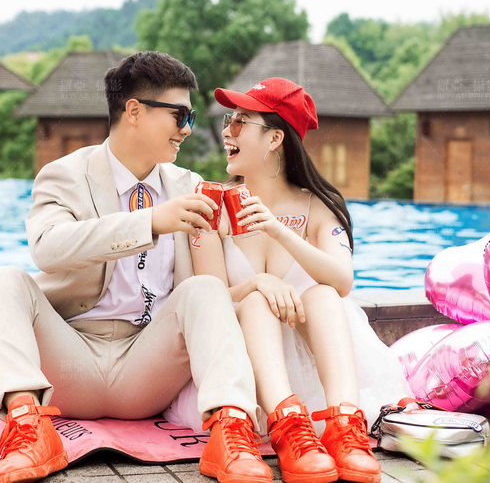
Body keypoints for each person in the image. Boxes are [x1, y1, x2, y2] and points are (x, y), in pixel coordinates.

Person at [0, 52, 274, 483]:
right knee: (1, 280)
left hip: (148, 368)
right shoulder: (65, 175)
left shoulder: (190, 186)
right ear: (134, 111)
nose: (187, 128)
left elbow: (212, 295)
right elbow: (47, 249)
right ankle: (28, 430)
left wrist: (262, 275)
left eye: (190, 116)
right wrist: (149, 222)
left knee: (204, 289)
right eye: (179, 115)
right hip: (68, 363)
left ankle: (231, 436)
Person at [169, 78, 412, 483]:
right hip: (245, 365)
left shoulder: (319, 205)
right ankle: (286, 425)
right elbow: (209, 296)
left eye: (241, 122)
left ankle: (343, 426)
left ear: (275, 138)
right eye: (229, 120)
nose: (227, 131)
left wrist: (278, 230)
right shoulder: (213, 204)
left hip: (316, 364)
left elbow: (342, 281)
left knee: (323, 293)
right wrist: (258, 284)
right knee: (255, 300)